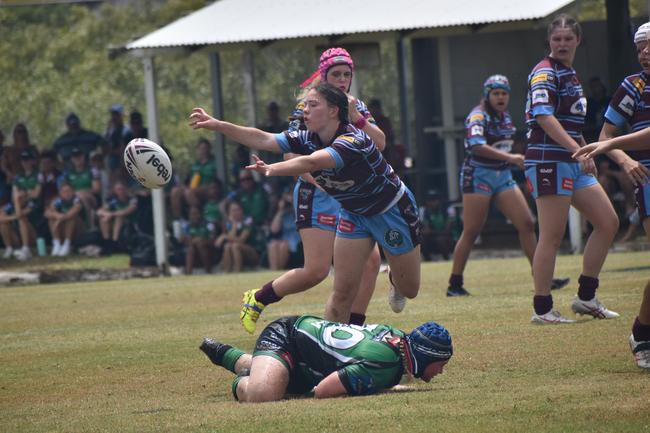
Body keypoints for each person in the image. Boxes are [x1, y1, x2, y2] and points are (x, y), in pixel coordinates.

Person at [189, 82, 422, 327]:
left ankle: (396, 279)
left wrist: (271, 169)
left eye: (313, 105)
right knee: (341, 293)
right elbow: (264, 138)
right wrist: (217, 125)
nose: (305, 111)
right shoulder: (308, 137)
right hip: (354, 215)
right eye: (305, 105)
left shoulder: (353, 139)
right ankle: (330, 351)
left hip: (391, 211)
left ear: (333, 111)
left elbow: (311, 163)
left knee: (410, 289)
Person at [525, 14, 619, 324]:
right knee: (551, 236)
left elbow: (569, 120)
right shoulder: (544, 72)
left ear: (578, 40)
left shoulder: (570, 73)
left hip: (572, 159)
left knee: (607, 222)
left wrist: (585, 150)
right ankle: (542, 309)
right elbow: (544, 117)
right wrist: (577, 150)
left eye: (568, 38)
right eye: (556, 39)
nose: (562, 43)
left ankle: (586, 297)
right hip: (548, 161)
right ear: (549, 42)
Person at [447, 75, 569, 296]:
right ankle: (454, 284)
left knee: (527, 224)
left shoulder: (505, 117)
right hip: (478, 175)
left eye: (504, 93)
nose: (501, 97)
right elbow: (476, 145)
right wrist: (512, 157)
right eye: (496, 93)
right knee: (472, 230)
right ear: (487, 95)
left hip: (502, 175)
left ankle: (543, 278)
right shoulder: (478, 115)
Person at [199, 315, 452, 402]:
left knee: (278, 378)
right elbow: (321, 392)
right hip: (287, 337)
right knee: (265, 395)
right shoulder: (384, 364)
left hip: (304, 349)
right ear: (425, 355)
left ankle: (233, 357)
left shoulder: (396, 341)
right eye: (441, 364)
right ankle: (244, 379)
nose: (441, 371)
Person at [573, 122, 650, 368]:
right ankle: (641, 333)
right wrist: (615, 150)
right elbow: (606, 133)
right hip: (647, 178)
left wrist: (610, 144)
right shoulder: (634, 85)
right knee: (547, 233)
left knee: (608, 222)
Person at [170, 138, 219, 223]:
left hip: (209, 188)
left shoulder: (214, 162)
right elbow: (187, 181)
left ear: (209, 149)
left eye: (205, 148)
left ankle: (200, 217)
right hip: (193, 188)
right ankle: (180, 221)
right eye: (201, 149)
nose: (203, 151)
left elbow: (217, 180)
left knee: (189, 192)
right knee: (175, 191)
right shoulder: (195, 164)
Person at [215, 200, 259, 273]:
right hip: (234, 249)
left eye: (238, 210)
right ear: (229, 213)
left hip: (252, 252)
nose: (236, 212)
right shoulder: (230, 223)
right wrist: (234, 224)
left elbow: (241, 240)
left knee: (235, 246)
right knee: (227, 246)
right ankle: (227, 272)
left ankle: (238, 271)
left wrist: (224, 236)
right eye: (233, 211)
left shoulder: (248, 221)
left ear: (242, 210)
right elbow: (230, 240)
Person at [96, 181, 137, 253]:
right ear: (114, 191)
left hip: (130, 221)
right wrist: (106, 214)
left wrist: (111, 214)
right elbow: (99, 211)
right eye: (118, 189)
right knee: (103, 219)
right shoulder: (113, 200)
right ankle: (107, 242)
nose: (120, 191)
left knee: (119, 217)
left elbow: (127, 211)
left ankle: (115, 242)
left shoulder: (132, 199)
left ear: (126, 189)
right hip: (114, 222)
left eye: (121, 189)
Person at [44, 182, 83, 257]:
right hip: (62, 228)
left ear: (73, 191)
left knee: (71, 218)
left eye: (69, 191)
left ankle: (67, 244)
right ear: (60, 193)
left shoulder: (77, 200)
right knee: (51, 219)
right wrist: (56, 215)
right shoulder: (58, 201)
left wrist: (59, 218)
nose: (67, 194)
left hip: (77, 230)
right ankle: (57, 243)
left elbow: (72, 212)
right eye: (64, 192)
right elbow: (47, 212)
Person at [267, 189, 302, 270]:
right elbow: (274, 230)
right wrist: (280, 210)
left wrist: (294, 203)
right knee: (273, 244)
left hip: (297, 240)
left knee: (284, 245)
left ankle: (279, 270)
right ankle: (273, 270)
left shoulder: (299, 210)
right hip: (284, 238)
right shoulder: (283, 214)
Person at [419, 189, 453, 261]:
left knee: (441, 240)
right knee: (422, 240)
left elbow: (448, 230)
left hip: (447, 237)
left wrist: (431, 232)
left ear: (439, 200)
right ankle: (428, 260)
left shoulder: (447, 209)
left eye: (434, 200)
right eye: (430, 200)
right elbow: (426, 228)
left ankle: (447, 259)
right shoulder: (425, 212)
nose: (432, 203)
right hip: (433, 237)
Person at [183, 205, 217, 274]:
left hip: (209, 253)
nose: (194, 216)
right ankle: (188, 273)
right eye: (191, 214)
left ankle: (208, 272)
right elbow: (186, 241)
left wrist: (202, 240)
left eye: (195, 213)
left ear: (200, 214)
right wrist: (194, 241)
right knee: (191, 249)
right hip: (194, 254)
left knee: (200, 245)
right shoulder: (187, 226)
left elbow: (213, 240)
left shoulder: (209, 224)